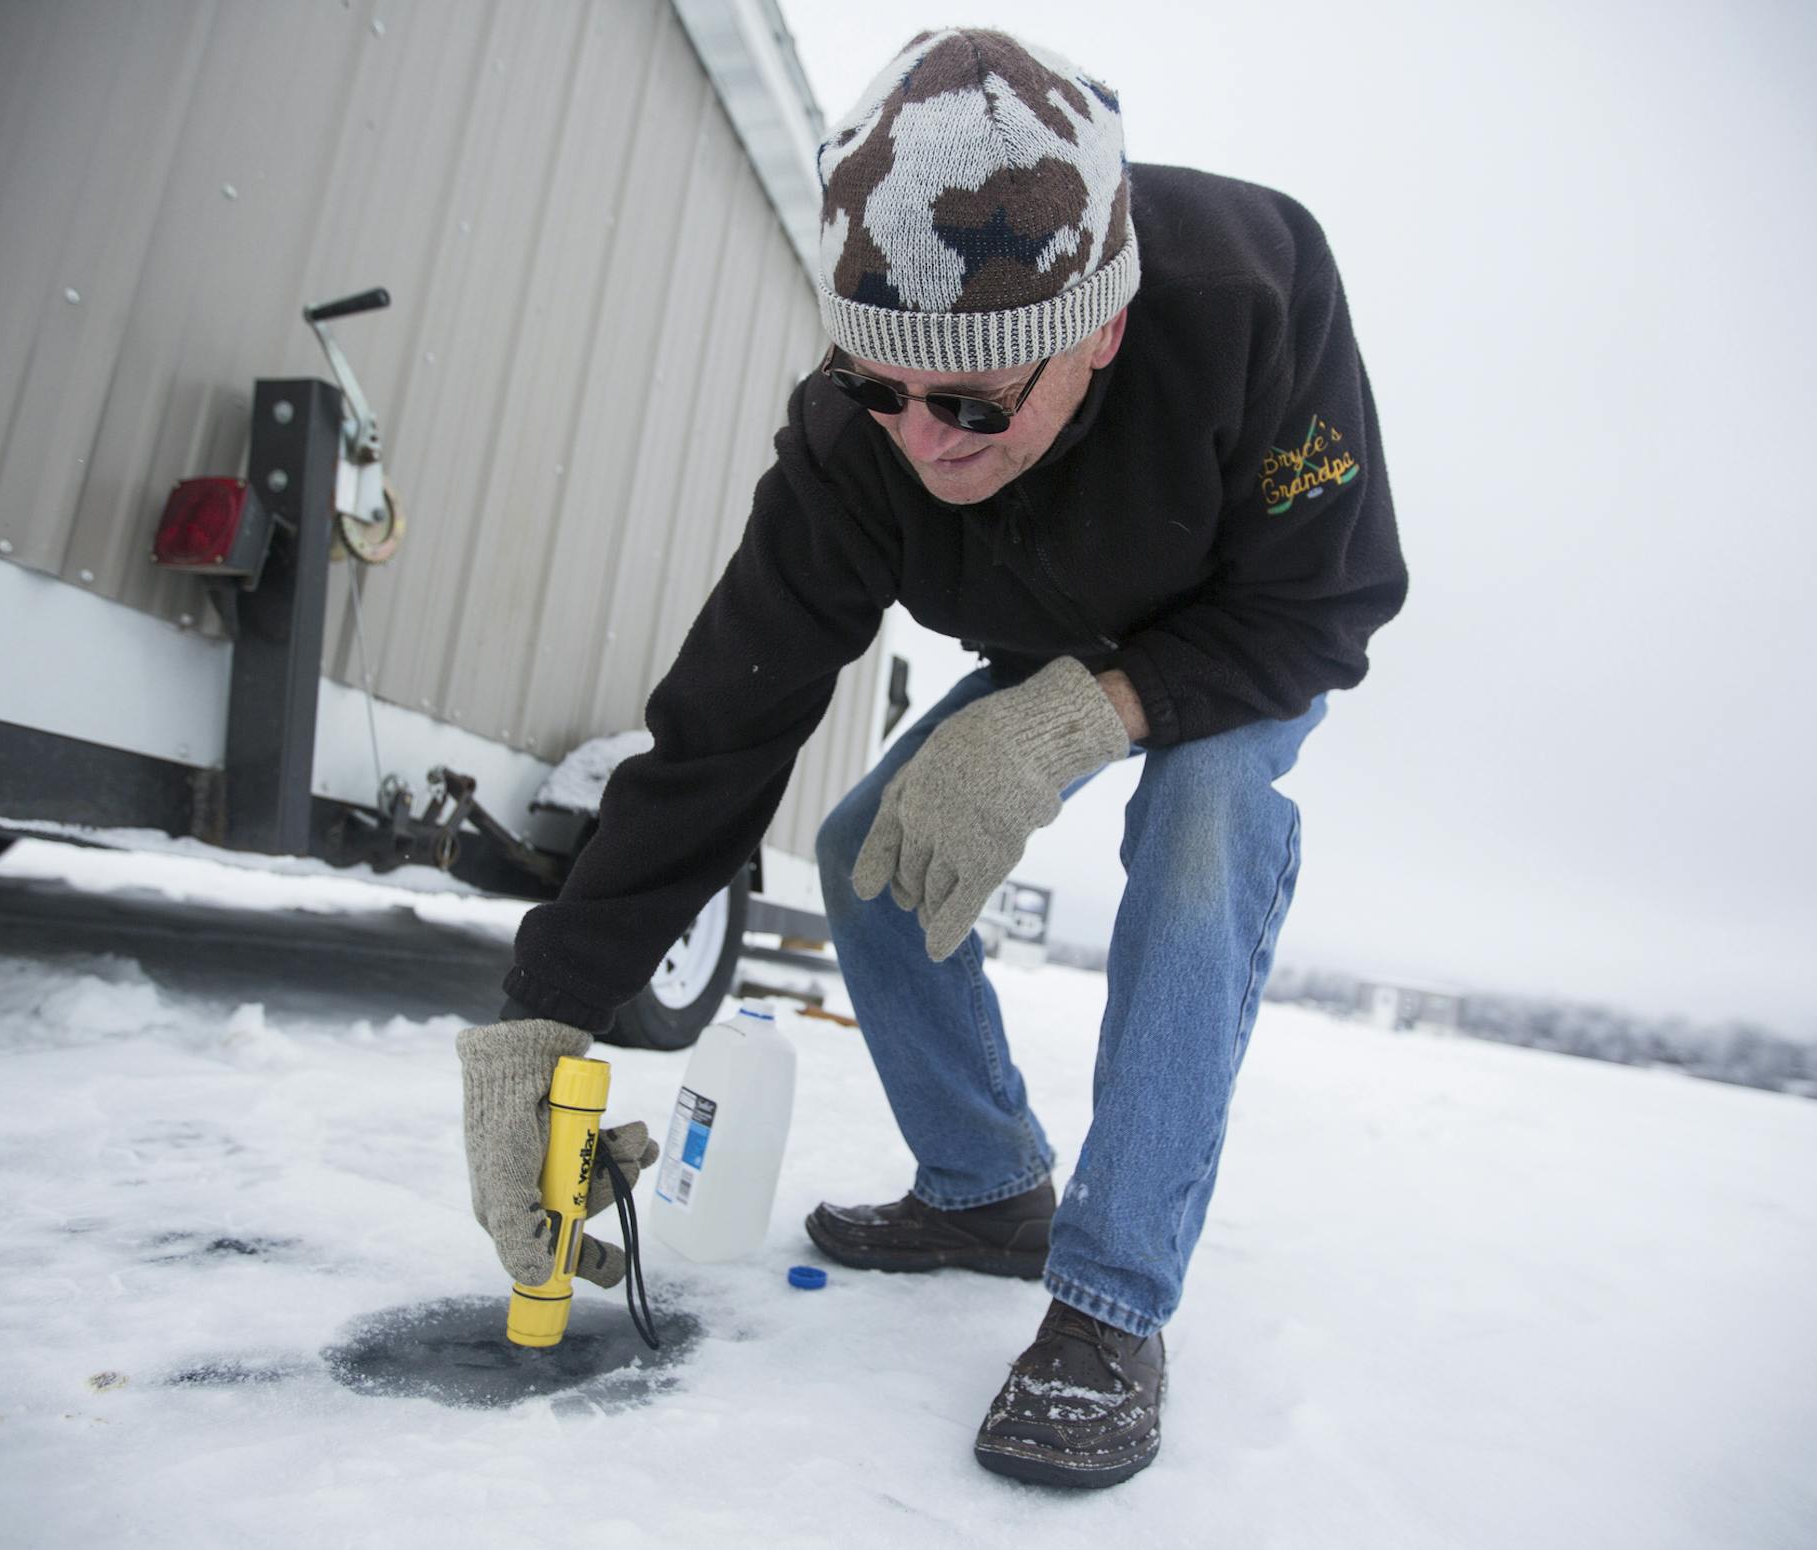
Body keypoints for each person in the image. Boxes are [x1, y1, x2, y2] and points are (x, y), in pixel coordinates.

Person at [457, 27, 1408, 1489]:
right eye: (881, 386)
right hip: (1056, 636)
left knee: (1206, 825)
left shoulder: (1248, 289)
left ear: (1100, 326)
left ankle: (1107, 1306)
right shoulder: (859, 442)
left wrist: (1091, 714)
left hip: (1243, 633)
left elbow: (1330, 601)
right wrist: (545, 1011)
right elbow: (722, 725)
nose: (923, 441)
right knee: (868, 846)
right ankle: (985, 1188)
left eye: (971, 401)